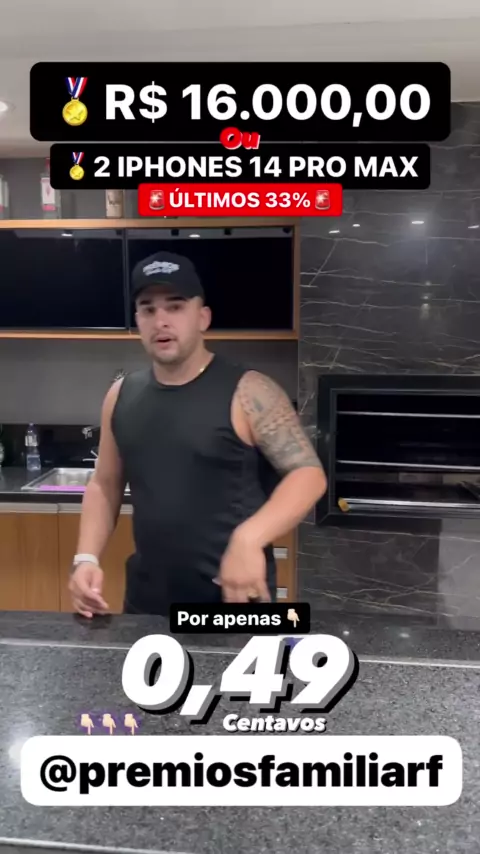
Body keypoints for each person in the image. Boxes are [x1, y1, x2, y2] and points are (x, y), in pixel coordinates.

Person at [69, 250, 327, 617]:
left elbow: (308, 475)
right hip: (146, 604)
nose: (161, 321)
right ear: (138, 321)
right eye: (148, 309)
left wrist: (249, 538)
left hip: (233, 602)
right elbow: (104, 484)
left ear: (202, 317)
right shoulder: (121, 395)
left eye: (175, 307)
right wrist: (86, 557)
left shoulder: (249, 391)